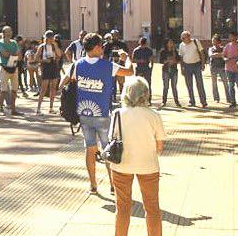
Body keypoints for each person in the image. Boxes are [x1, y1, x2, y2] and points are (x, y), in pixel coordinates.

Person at [63, 33, 134, 195]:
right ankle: (112, 185)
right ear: (95, 48)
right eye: (101, 45)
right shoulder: (108, 66)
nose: (103, 48)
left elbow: (63, 83)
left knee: (90, 149)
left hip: (84, 114)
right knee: (108, 149)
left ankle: (93, 185)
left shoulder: (77, 65)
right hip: (102, 113)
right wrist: (126, 57)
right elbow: (129, 72)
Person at [107, 77, 165, 236]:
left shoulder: (118, 114)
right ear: (146, 94)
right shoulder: (154, 115)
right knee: (152, 207)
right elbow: (160, 146)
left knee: (122, 207)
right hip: (148, 165)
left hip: (122, 165)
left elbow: (112, 138)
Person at [178, 31, 207, 108]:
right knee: (189, 84)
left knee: (199, 83)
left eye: (184, 38)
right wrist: (182, 68)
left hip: (196, 65)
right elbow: (181, 57)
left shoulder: (196, 42)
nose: (183, 39)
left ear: (189, 37)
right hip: (187, 66)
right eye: (182, 38)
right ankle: (192, 101)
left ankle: (203, 101)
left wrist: (203, 64)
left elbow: (201, 53)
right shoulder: (181, 45)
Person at [0, 26, 21, 116]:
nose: (9, 33)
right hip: (4, 68)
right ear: (3, 33)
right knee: (3, 89)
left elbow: (19, 55)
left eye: (10, 31)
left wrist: (11, 54)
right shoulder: (0, 43)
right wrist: (14, 54)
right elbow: (4, 54)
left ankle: (13, 109)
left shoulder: (14, 42)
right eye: (7, 32)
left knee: (14, 89)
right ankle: (1, 109)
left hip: (14, 67)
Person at [36, 31, 62, 114]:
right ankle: (38, 108)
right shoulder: (42, 47)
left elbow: (59, 54)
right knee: (44, 88)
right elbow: (36, 58)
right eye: (49, 38)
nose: (51, 39)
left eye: (52, 37)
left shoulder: (54, 46)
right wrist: (44, 60)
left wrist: (55, 45)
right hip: (46, 66)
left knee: (53, 87)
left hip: (54, 66)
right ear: (46, 38)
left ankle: (51, 107)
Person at [158, 39, 181, 107]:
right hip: (166, 70)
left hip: (174, 70)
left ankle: (176, 102)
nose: (171, 44)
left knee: (174, 87)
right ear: (167, 44)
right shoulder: (163, 51)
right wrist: (167, 61)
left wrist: (175, 61)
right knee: (166, 87)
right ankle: (164, 101)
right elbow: (161, 61)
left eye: (172, 42)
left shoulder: (175, 51)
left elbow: (179, 60)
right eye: (170, 43)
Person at [132, 37, 154, 102]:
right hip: (139, 68)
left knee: (148, 84)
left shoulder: (149, 50)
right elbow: (133, 60)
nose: (143, 45)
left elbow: (152, 59)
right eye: (142, 43)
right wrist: (139, 61)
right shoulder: (136, 50)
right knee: (138, 84)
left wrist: (151, 68)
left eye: (144, 43)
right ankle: (138, 99)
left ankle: (148, 99)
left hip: (146, 68)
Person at [207, 35, 228, 104]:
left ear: (219, 41)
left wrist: (217, 54)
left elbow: (224, 55)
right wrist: (220, 55)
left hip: (222, 67)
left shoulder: (223, 48)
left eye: (215, 41)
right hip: (213, 67)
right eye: (213, 41)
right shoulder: (211, 49)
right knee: (214, 83)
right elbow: (211, 55)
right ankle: (216, 98)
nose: (213, 42)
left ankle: (229, 98)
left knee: (225, 83)